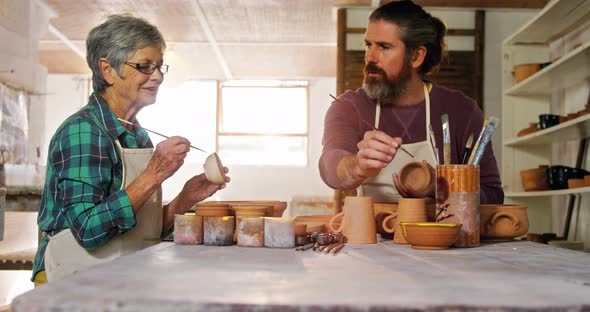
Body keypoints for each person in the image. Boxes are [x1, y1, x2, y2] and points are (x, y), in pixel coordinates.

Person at [32, 14, 229, 284]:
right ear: (108, 70)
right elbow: (88, 230)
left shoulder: (137, 136)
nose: (158, 76)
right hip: (70, 281)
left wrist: (185, 199)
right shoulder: (83, 132)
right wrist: (154, 173)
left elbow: (138, 230)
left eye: (159, 66)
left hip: (119, 277)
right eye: (144, 66)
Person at [319, 1, 503, 204]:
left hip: (443, 235)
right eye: (368, 45)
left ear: (416, 56)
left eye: (384, 47)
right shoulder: (350, 106)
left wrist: (442, 189)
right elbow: (329, 165)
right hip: (375, 234)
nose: (369, 57)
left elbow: (493, 195)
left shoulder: (461, 110)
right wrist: (356, 166)